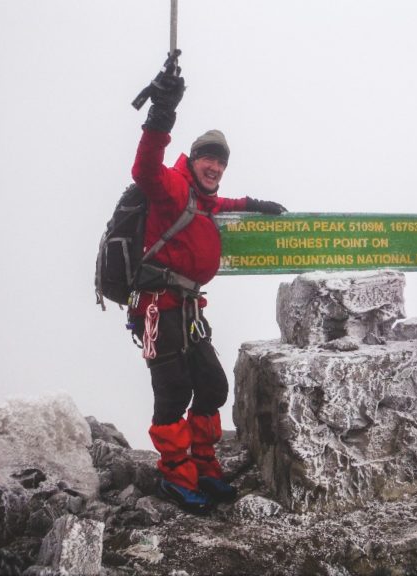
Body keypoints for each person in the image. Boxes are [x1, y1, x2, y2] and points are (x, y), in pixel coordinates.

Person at [129, 56, 287, 513]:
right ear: (193, 160)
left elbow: (223, 201)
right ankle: (175, 476)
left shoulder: (204, 200)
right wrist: (162, 113)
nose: (215, 166)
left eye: (221, 161)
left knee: (213, 386)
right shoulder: (173, 187)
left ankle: (203, 462)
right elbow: (144, 168)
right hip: (158, 307)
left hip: (189, 309)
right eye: (208, 158)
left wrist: (253, 203)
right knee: (173, 392)